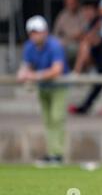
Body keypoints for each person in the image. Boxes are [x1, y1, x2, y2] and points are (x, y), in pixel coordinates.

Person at [16, 16, 70, 164]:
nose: (36, 35)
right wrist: (23, 73)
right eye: (33, 32)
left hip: (58, 87)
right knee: (47, 119)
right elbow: (27, 65)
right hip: (43, 87)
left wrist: (33, 75)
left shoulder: (55, 45)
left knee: (56, 118)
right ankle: (52, 152)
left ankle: (57, 154)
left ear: (45, 32)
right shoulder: (29, 46)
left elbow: (56, 70)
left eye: (38, 32)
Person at [53, 0, 87, 67]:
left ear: (77, 1)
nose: (70, 2)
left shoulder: (83, 13)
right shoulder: (62, 15)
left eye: (72, 0)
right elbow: (55, 35)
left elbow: (85, 34)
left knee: (85, 47)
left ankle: (76, 74)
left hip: (79, 45)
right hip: (65, 45)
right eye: (68, 0)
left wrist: (76, 36)